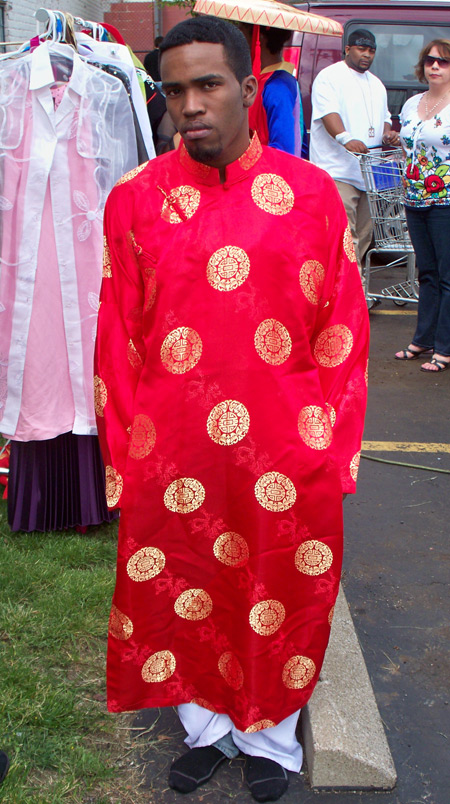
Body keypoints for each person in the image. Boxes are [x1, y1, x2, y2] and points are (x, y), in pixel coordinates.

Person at [95, 15, 369, 802]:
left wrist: (331, 451)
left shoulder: (312, 198)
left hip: (287, 447)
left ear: (249, 90)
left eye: (208, 84)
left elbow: (343, 332)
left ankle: (270, 740)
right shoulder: (136, 203)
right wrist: (126, 461)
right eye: (174, 89)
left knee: (276, 590)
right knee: (184, 589)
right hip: (172, 447)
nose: (190, 104)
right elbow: (120, 339)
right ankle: (206, 728)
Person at [310, 29, 399, 274]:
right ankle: (353, 295)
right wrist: (345, 138)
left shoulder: (377, 84)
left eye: (371, 51)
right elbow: (328, 114)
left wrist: (387, 133)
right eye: (361, 49)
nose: (366, 55)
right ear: (347, 49)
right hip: (337, 170)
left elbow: (385, 117)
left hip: (368, 174)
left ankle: (350, 287)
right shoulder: (329, 76)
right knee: (345, 237)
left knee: (364, 236)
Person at [395, 39, 450, 372]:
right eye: (430, 60)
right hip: (414, 198)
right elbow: (406, 146)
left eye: (443, 62)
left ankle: (443, 348)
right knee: (426, 273)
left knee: (447, 277)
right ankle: (422, 339)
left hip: (446, 200)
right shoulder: (412, 103)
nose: (434, 66)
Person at [239, 24, 303, 157]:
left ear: (259, 37)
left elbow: (282, 151)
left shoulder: (278, 87)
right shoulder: (263, 79)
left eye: (242, 31)